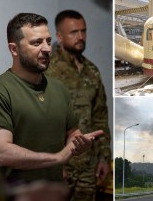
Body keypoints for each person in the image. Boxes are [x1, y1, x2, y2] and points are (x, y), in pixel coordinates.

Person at [0, 13, 103, 185]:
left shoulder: (59, 90)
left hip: (53, 192)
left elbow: (72, 133)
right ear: (14, 49)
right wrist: (57, 158)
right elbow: (0, 153)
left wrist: (78, 143)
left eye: (48, 41)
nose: (47, 49)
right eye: (36, 43)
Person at [46, 10, 111, 201]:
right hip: (60, 166)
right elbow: (39, 121)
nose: (80, 37)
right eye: (73, 32)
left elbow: (100, 115)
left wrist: (104, 157)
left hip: (88, 167)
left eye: (83, 31)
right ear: (59, 36)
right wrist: (54, 165)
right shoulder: (48, 70)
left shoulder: (92, 71)